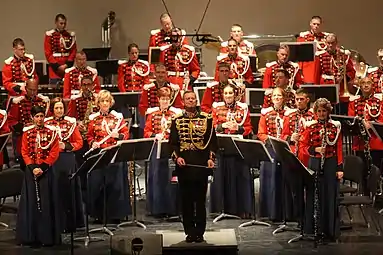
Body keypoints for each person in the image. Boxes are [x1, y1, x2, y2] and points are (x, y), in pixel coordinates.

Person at [169, 91, 217, 243]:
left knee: (200, 200)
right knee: (186, 200)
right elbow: (172, 143)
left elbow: (212, 141)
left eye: (193, 98)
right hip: (184, 165)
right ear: (183, 102)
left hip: (201, 163)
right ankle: (189, 232)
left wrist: (210, 158)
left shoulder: (206, 118)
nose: (191, 101)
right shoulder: (177, 120)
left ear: (196, 100)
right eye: (188, 99)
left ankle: (200, 232)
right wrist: (178, 158)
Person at [16, 105, 60, 247]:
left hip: (46, 171)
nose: (40, 119)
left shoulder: (51, 132)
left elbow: (54, 151)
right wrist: (33, 167)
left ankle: (47, 237)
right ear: (32, 118)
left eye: (42, 116)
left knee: (47, 203)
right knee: (32, 204)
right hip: (32, 171)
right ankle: (31, 236)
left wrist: (44, 166)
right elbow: (25, 151)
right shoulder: (27, 133)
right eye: (37, 116)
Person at [301, 98, 343, 242]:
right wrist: (315, 149)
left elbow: (338, 148)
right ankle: (314, 229)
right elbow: (303, 146)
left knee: (330, 196)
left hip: (331, 163)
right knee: (314, 196)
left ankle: (329, 230)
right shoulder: (310, 126)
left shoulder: (335, 126)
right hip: (315, 162)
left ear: (328, 111)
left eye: (324, 111)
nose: (321, 113)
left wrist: (339, 167)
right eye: (318, 111)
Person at [86, 90, 131, 223]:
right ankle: (100, 215)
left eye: (107, 101)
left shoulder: (118, 118)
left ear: (111, 103)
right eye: (102, 101)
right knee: (99, 184)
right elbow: (89, 135)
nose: (105, 103)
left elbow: (126, 134)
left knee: (115, 185)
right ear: (98, 103)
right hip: (99, 155)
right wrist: (92, 143)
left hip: (114, 154)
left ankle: (115, 215)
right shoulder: (93, 119)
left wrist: (118, 136)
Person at [210, 84, 253, 218]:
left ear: (235, 95)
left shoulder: (243, 108)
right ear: (223, 95)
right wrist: (221, 126)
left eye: (231, 93)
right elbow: (211, 126)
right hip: (221, 147)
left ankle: (239, 209)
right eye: (226, 93)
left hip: (237, 148)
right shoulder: (216, 108)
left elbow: (249, 128)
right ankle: (220, 209)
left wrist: (238, 127)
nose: (228, 96)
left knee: (239, 177)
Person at [45, 97, 84, 232]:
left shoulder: (70, 123)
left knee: (68, 191)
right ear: (52, 110)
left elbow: (79, 143)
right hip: (52, 161)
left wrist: (66, 146)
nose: (59, 110)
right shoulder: (46, 123)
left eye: (61, 108)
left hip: (67, 159)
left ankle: (69, 223)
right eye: (56, 108)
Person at [144, 87, 182, 218]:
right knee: (158, 177)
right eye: (163, 99)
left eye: (167, 99)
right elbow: (146, 132)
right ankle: (158, 208)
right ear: (158, 100)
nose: (165, 101)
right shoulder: (152, 115)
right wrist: (155, 135)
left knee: (171, 178)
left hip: (172, 149)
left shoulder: (175, 115)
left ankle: (172, 208)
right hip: (157, 149)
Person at [257, 87, 291, 221]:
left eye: (279, 95)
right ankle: (269, 212)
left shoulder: (289, 113)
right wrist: (271, 141)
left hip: (284, 150)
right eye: (274, 96)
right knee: (270, 182)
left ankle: (285, 212)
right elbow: (260, 133)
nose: (277, 98)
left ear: (284, 98)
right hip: (270, 150)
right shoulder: (266, 114)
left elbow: (289, 132)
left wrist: (282, 141)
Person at [281, 88, 314, 222]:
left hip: (309, 158)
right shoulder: (290, 116)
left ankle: (310, 219)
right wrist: (290, 137)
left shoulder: (314, 115)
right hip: (294, 158)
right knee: (296, 192)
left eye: (302, 99)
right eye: (297, 99)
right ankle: (299, 219)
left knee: (311, 190)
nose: (299, 102)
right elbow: (282, 136)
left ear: (307, 100)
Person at [348, 77, 383, 194]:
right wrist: (361, 124)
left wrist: (371, 124)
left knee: (376, 170)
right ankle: (365, 194)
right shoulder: (354, 103)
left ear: (372, 85)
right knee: (362, 170)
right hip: (360, 142)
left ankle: (376, 195)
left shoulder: (379, 102)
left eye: (368, 83)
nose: (366, 85)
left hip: (375, 142)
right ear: (360, 86)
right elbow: (351, 119)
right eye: (363, 83)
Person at [8, 79, 50, 166]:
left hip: (41, 140)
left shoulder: (42, 101)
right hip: (24, 139)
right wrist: (25, 127)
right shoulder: (19, 102)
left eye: (35, 90)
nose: (32, 92)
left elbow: (48, 119)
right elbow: (12, 121)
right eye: (30, 89)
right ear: (26, 88)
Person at [313, 33, 356, 101]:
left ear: (336, 43)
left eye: (332, 43)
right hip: (325, 86)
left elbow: (352, 72)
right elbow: (316, 75)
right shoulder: (320, 56)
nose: (330, 45)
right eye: (328, 43)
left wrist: (345, 75)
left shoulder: (344, 55)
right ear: (325, 43)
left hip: (340, 87)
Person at [44, 13, 77, 84]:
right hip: (54, 68)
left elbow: (73, 51)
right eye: (61, 23)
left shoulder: (70, 35)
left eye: (64, 23)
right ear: (56, 23)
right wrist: (57, 66)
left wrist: (67, 65)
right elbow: (48, 53)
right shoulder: (50, 35)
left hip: (67, 67)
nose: (63, 25)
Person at [297, 16, 329, 83]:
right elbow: (300, 55)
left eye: (318, 24)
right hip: (309, 67)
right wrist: (300, 69)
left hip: (323, 67)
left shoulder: (326, 37)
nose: (316, 26)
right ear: (310, 24)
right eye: (314, 24)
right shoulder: (304, 37)